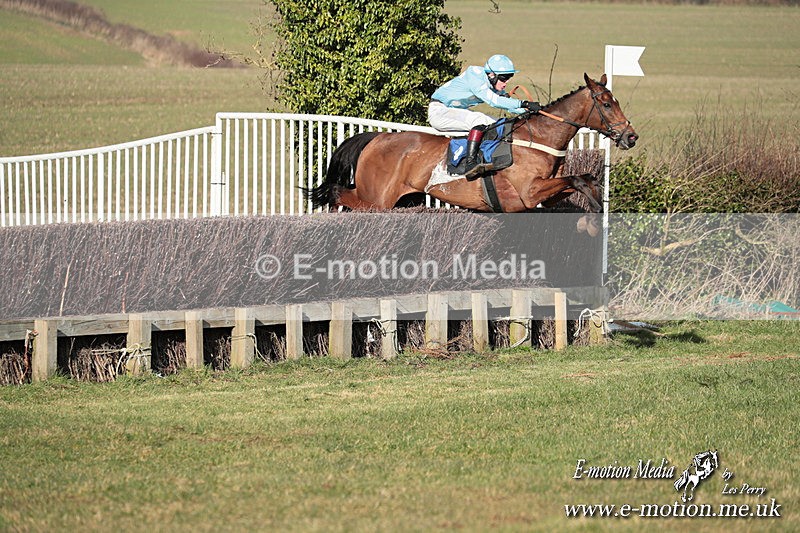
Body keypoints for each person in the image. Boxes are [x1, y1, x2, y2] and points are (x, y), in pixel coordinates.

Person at [428, 54, 541, 178]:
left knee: (500, 124)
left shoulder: (490, 82)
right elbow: (495, 101)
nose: (506, 83)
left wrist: (526, 112)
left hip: (452, 112)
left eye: (509, 78)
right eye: (504, 78)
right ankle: (470, 164)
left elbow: (506, 104)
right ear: (491, 75)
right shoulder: (475, 76)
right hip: (440, 112)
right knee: (479, 120)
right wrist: (523, 103)